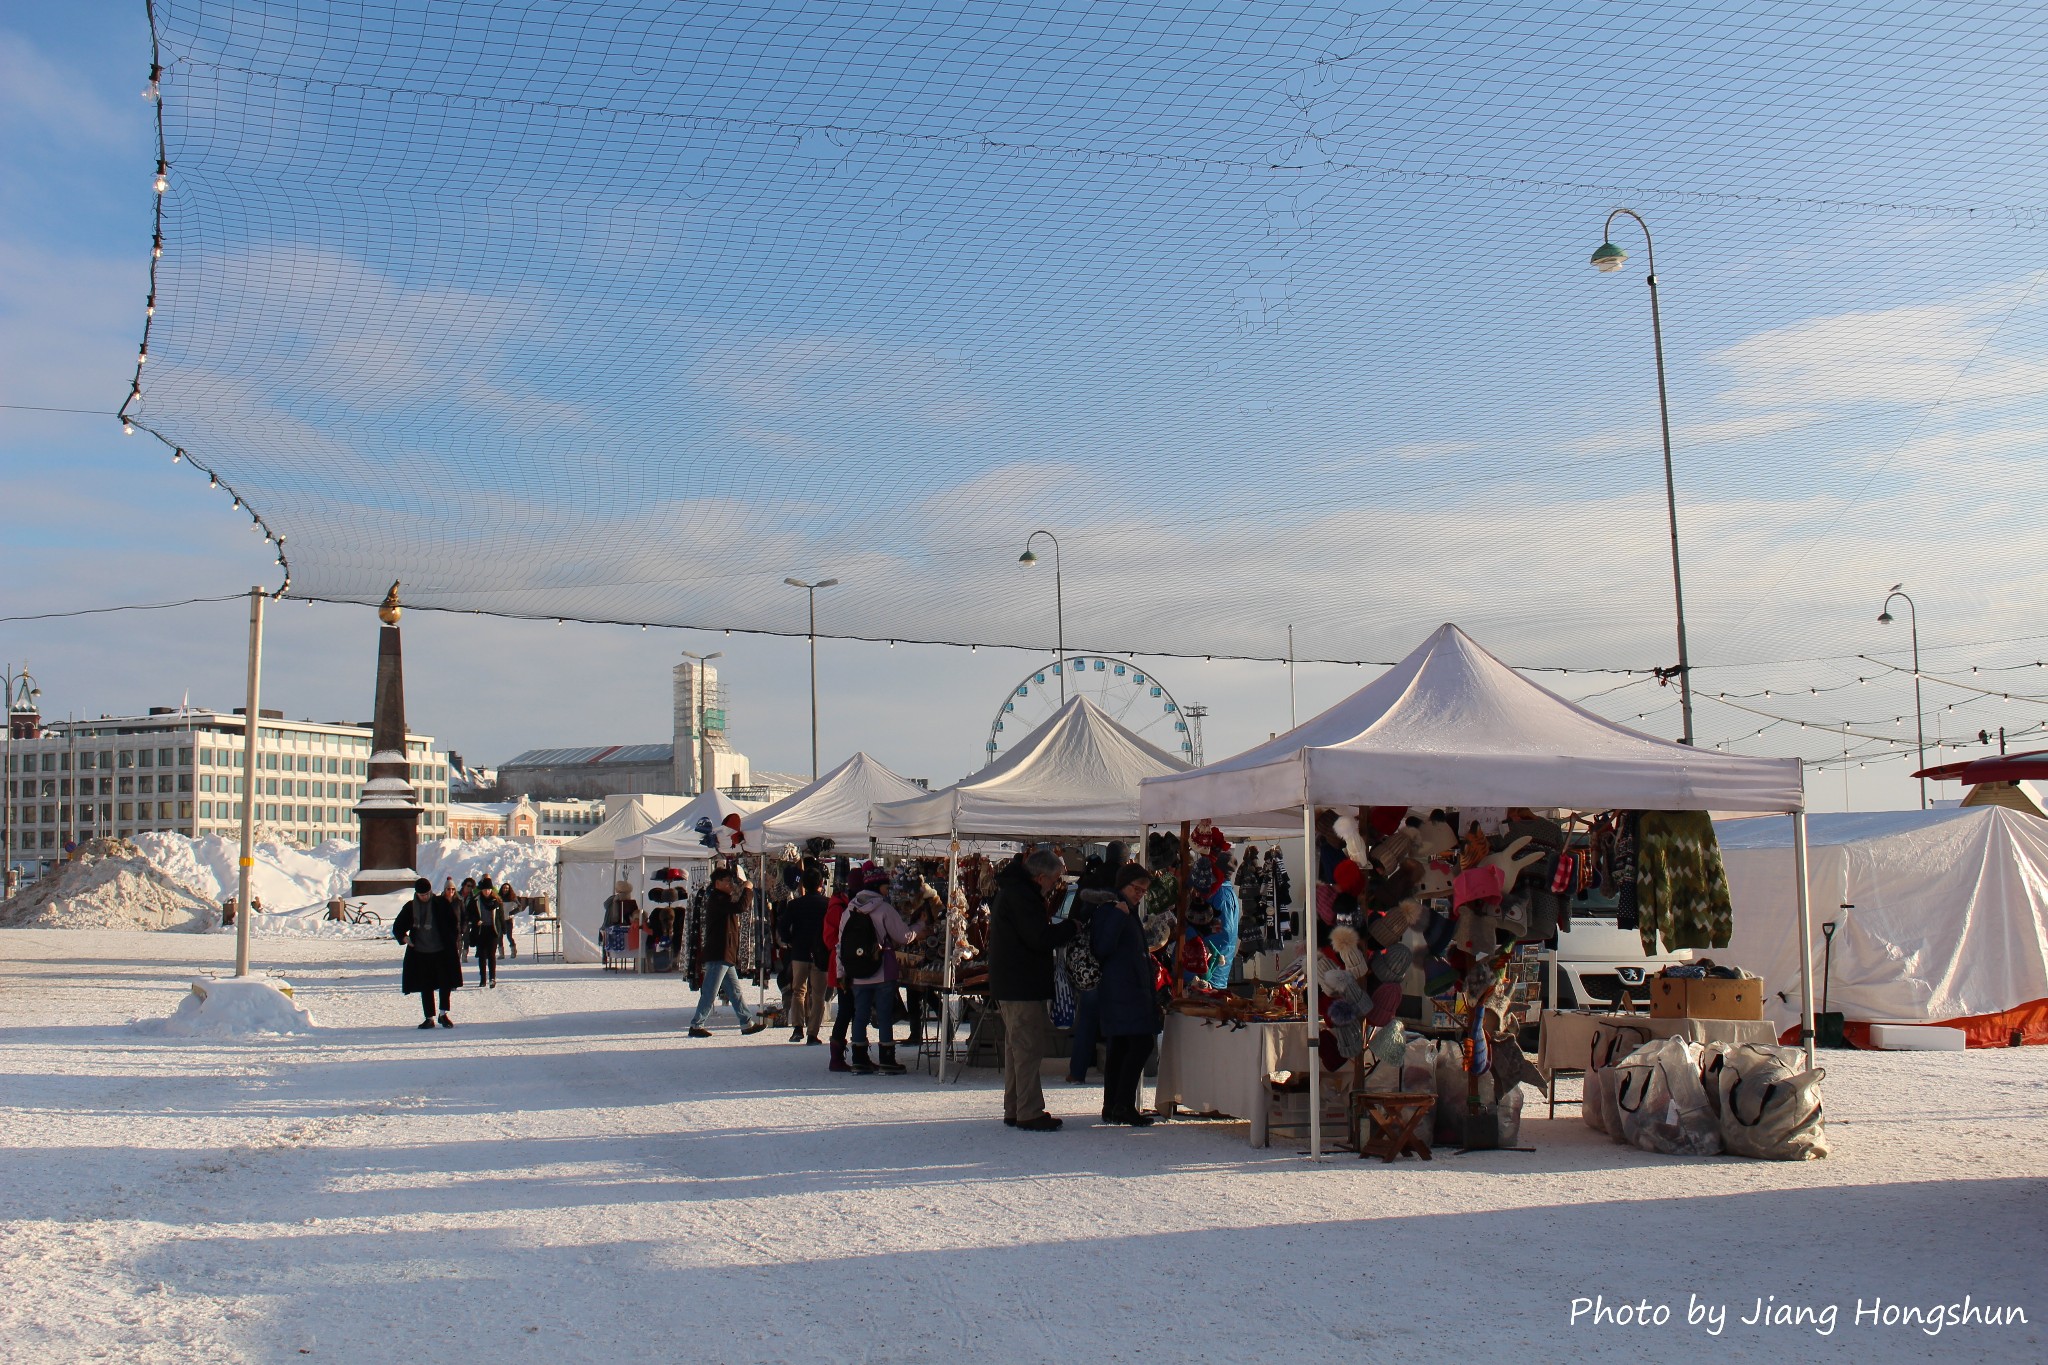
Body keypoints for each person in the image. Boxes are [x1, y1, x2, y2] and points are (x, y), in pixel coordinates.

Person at [987, 848, 1078, 1131]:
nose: (1055, 886)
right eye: (1053, 880)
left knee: (1017, 1048)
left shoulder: (1013, 891)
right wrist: (1070, 928)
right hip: (1021, 983)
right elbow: (1038, 938)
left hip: (1011, 982)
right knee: (1026, 1049)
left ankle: (1015, 1107)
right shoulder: (1022, 896)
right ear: (1040, 877)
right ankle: (1029, 1111)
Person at [1094, 863, 1162, 1124]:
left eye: (1144, 891)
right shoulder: (1114, 909)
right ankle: (1122, 1104)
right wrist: (1119, 916)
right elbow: (1102, 947)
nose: (1140, 894)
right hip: (1123, 990)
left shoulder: (1126, 910)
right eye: (1137, 889)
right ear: (1123, 884)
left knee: (1120, 1048)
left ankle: (1112, 1106)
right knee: (1141, 1044)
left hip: (1128, 988)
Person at [838, 883, 916, 1075]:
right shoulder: (884, 908)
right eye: (885, 885)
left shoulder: (849, 911)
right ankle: (887, 1059)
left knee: (860, 1015)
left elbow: (840, 945)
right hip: (882, 970)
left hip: (857, 971)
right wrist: (919, 927)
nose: (887, 889)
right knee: (884, 1015)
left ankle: (859, 1059)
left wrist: (841, 972)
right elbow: (903, 936)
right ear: (878, 887)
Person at [688, 866, 768, 1038]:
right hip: (719, 953)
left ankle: (746, 1022)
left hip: (725, 953)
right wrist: (748, 889)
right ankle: (696, 1024)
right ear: (718, 883)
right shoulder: (717, 899)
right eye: (727, 881)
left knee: (735, 991)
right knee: (710, 990)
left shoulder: (721, 898)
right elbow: (740, 907)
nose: (731, 884)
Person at [393, 877, 462, 1028]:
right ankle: (429, 1018)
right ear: (416, 894)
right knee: (426, 986)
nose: (424, 897)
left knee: (445, 983)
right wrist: (405, 938)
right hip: (420, 953)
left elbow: (453, 924)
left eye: (426, 894)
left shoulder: (440, 903)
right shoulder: (411, 907)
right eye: (421, 895)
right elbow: (398, 926)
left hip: (441, 951)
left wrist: (451, 940)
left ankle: (443, 1014)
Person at [776, 866, 831, 1044]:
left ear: (803, 885)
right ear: (821, 883)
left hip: (799, 952)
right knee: (818, 995)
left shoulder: (794, 905)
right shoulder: (827, 904)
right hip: (821, 954)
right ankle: (813, 1033)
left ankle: (798, 1027)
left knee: (798, 990)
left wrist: (790, 940)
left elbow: (783, 927)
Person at [822, 872, 856, 1072]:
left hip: (848, 965)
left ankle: (842, 1054)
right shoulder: (838, 908)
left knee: (849, 1009)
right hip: (842, 966)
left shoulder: (845, 906)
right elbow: (829, 939)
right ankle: (836, 1056)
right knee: (845, 1011)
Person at [464, 881, 501, 988]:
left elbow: (500, 916)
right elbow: (469, 914)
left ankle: (492, 978)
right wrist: (476, 920)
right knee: (482, 955)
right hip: (480, 931)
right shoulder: (475, 901)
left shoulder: (496, 901)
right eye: (485, 890)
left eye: (489, 889)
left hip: (492, 930)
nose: (487, 892)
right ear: (481, 890)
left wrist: (501, 928)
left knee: (491, 955)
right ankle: (483, 979)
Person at [602, 879, 638, 969]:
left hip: (611, 923)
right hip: (625, 923)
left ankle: (606, 958)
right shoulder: (629, 900)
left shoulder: (614, 899)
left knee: (606, 938)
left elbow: (610, 911)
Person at [496, 882, 520, 960]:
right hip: (500, 920)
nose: (505, 890)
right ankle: (501, 953)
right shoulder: (498, 897)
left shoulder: (512, 898)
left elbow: (519, 907)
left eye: (507, 888)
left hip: (508, 920)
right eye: (504, 888)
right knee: (499, 936)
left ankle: (513, 951)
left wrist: (512, 912)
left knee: (509, 936)